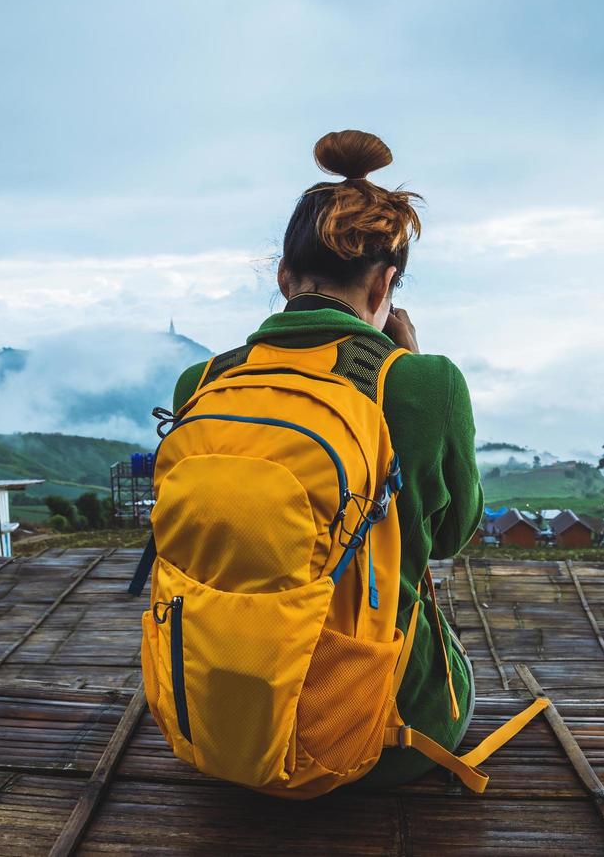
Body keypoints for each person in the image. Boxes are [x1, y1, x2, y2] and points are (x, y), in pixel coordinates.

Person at [169, 129, 482, 786]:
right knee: (453, 672)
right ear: (386, 283)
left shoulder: (200, 384)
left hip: (210, 713)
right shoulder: (424, 384)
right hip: (377, 738)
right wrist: (412, 362)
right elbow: (450, 537)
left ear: (284, 277)